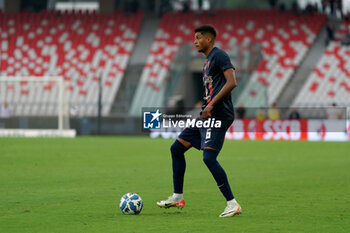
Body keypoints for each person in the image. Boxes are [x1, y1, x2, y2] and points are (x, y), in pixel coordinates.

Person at [156, 25, 242, 218]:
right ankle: (178, 196)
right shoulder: (207, 61)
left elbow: (232, 82)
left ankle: (232, 203)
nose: (194, 41)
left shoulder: (219, 55)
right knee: (176, 149)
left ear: (209, 39)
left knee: (209, 158)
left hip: (218, 115)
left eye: (198, 37)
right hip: (206, 115)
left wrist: (211, 105)